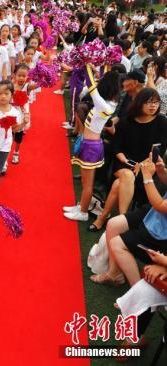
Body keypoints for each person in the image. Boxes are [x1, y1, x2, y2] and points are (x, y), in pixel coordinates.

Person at [90, 88, 166, 232]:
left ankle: (103, 217)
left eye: (156, 103)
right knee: (126, 174)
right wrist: (124, 159)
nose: (153, 106)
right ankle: (123, 220)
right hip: (123, 163)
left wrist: (142, 165)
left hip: (147, 166)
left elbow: (159, 151)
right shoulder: (127, 121)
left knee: (119, 183)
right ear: (139, 103)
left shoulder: (162, 122)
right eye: (149, 102)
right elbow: (116, 146)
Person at [91, 152, 167, 287]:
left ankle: (137, 293)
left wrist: (148, 177)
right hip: (154, 214)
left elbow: (160, 206)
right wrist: (161, 170)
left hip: (161, 232)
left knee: (116, 243)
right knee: (113, 224)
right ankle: (115, 274)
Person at [64, 69, 120, 222]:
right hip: (90, 143)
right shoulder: (108, 103)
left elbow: (91, 86)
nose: (99, 82)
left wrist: (86, 63)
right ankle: (81, 206)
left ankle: (82, 212)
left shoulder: (104, 105)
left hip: (91, 146)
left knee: (87, 183)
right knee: (84, 181)